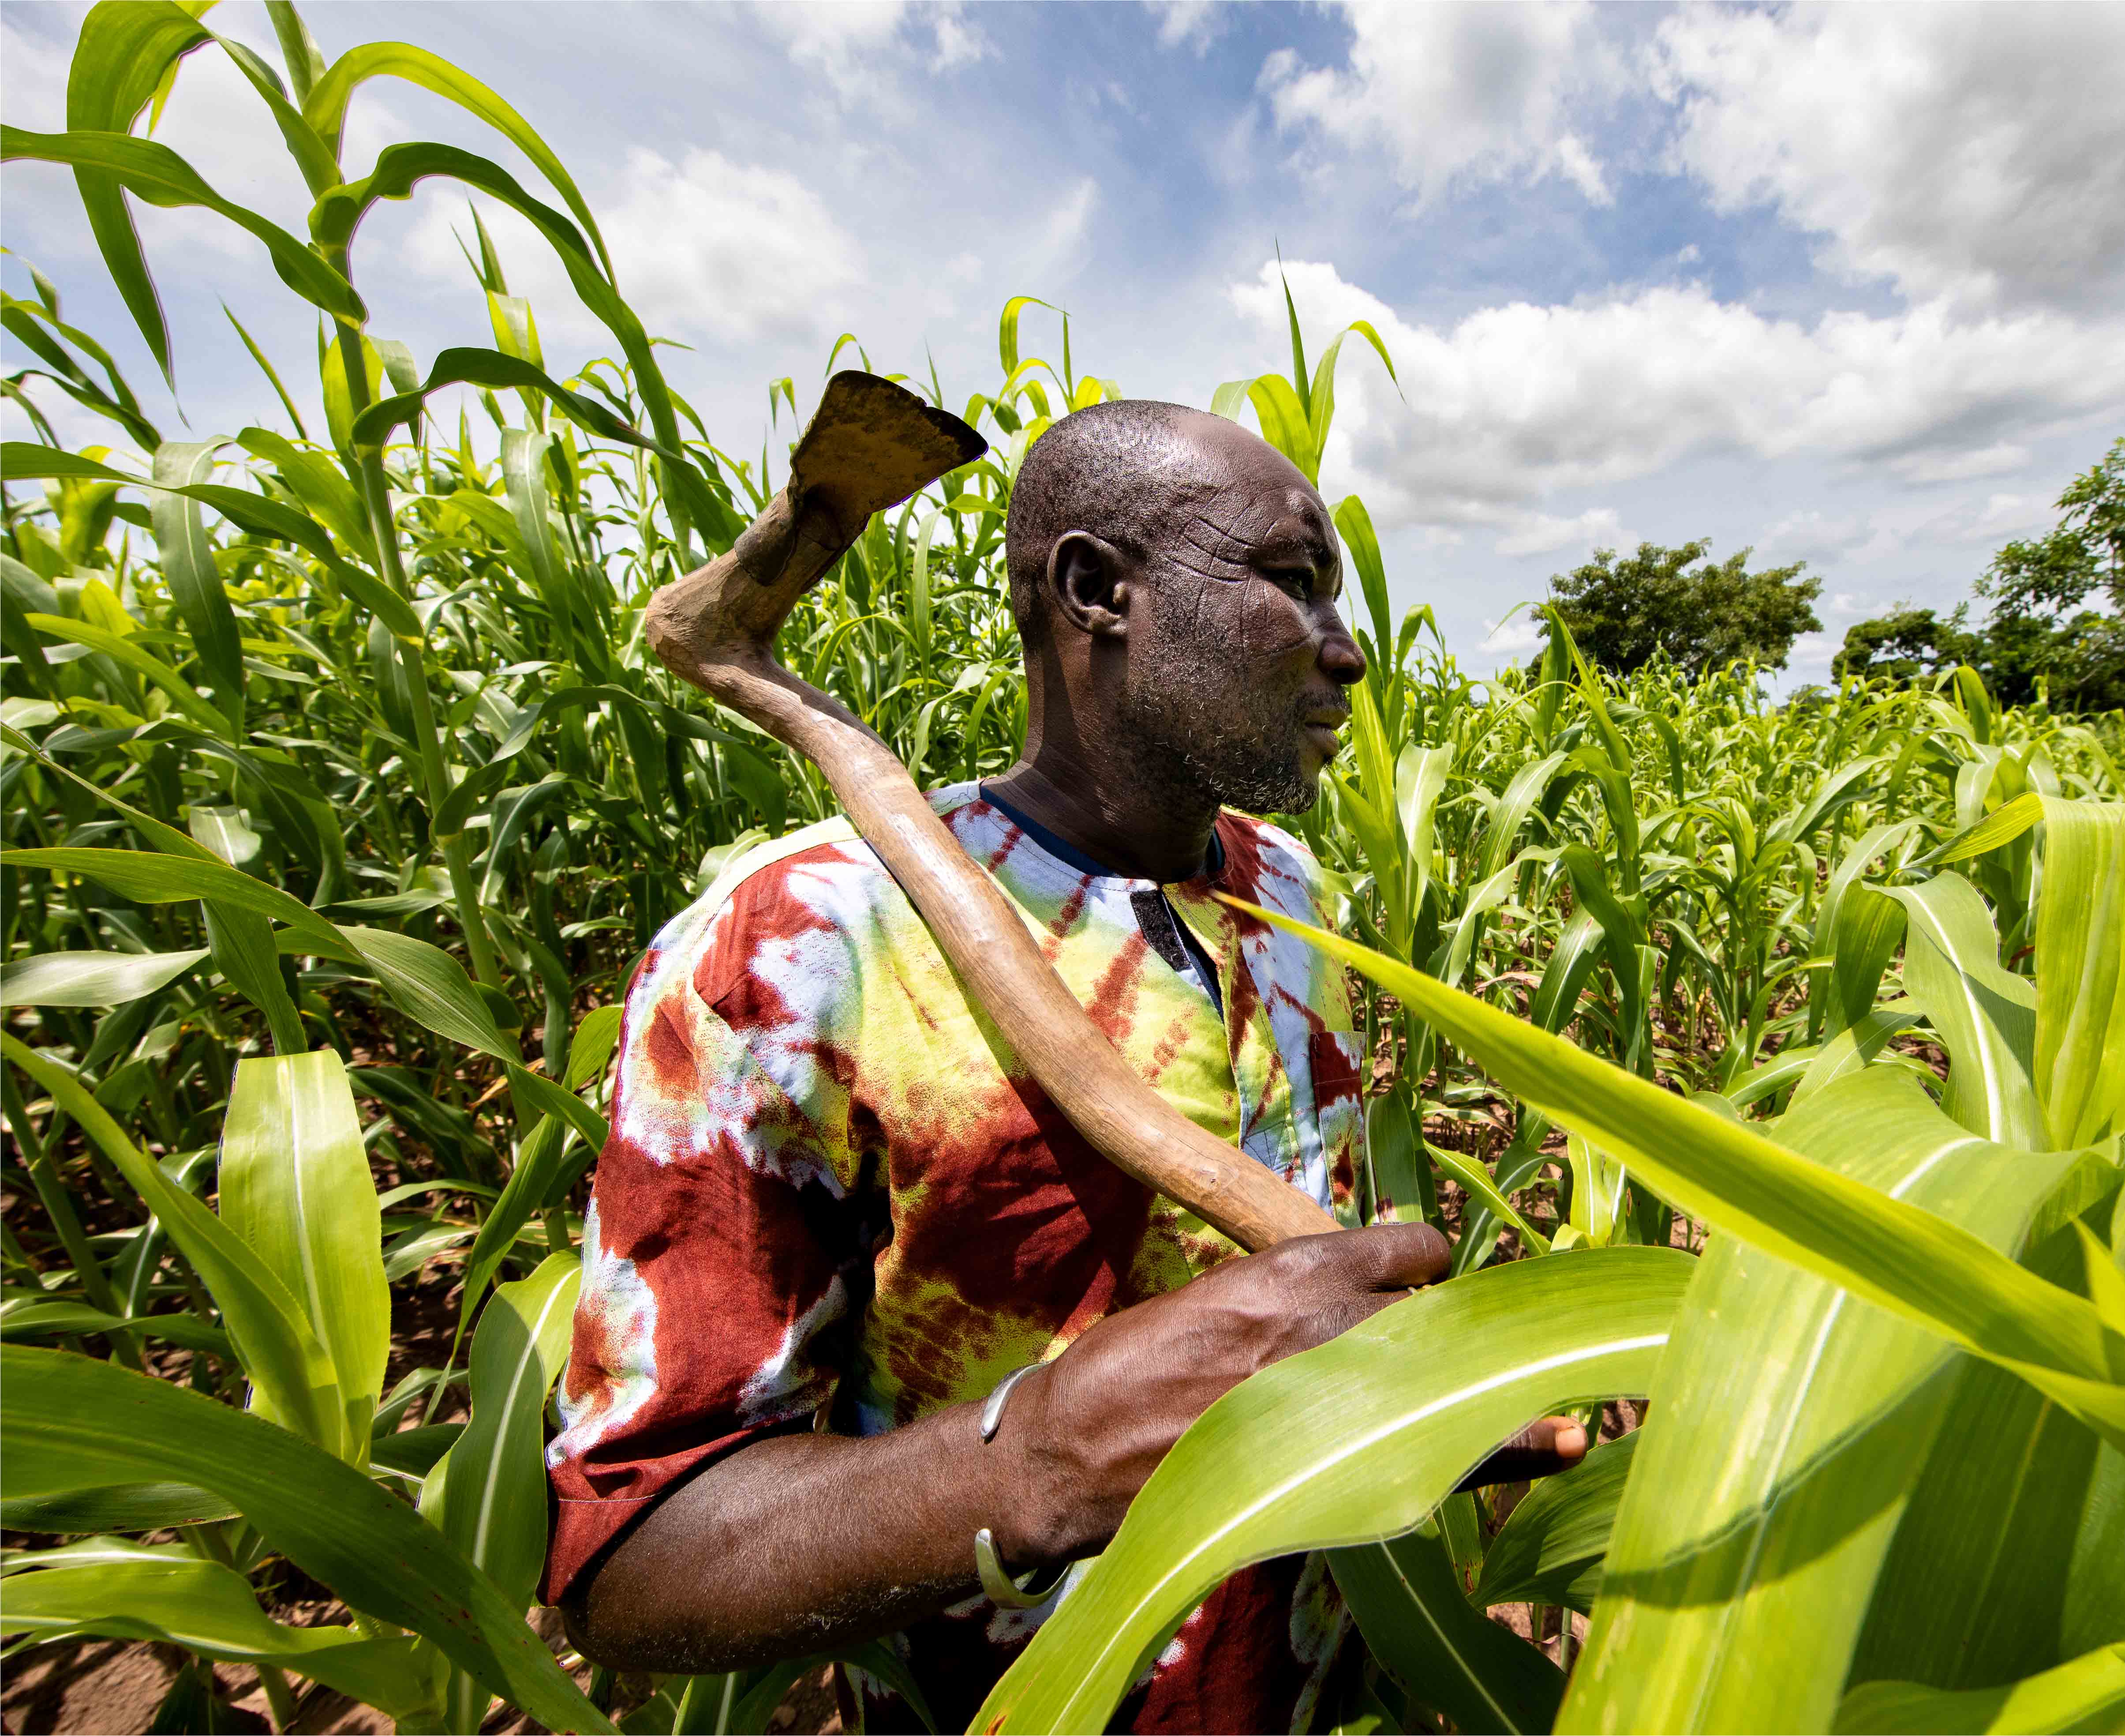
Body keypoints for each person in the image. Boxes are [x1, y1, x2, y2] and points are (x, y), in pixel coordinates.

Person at [548, 401, 1586, 1732]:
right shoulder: (798, 943)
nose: (1347, 649)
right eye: (1290, 580)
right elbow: (635, 1562)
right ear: (1098, 590)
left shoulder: (1285, 886)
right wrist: (1041, 1453)